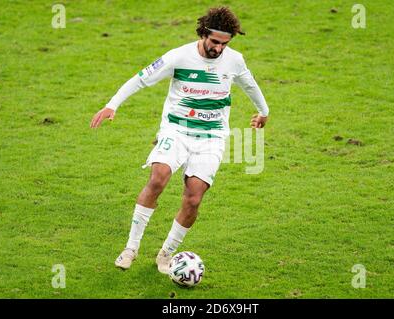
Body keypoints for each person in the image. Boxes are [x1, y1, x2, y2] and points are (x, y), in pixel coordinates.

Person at [90, 6, 269, 274]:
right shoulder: (178, 57)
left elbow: (250, 85)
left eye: (224, 44)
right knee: (158, 177)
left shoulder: (234, 60)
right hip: (177, 130)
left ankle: (166, 254)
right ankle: (130, 248)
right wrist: (111, 105)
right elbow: (140, 79)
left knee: (194, 198)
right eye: (215, 42)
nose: (218, 49)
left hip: (211, 137)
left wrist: (263, 112)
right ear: (204, 33)